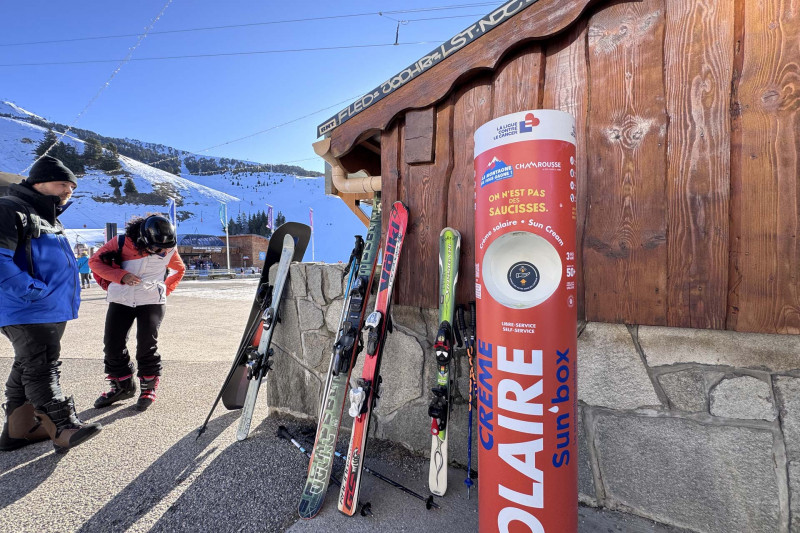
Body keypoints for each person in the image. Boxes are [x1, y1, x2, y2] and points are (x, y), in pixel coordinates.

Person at [0, 155, 102, 453]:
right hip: (26, 307)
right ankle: (64, 426)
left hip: (47, 307)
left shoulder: (48, 218)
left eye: (72, 187)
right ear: (39, 182)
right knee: (43, 365)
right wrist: (32, 290)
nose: (68, 191)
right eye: (62, 184)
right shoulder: (10, 208)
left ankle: (19, 431)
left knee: (28, 362)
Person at [89, 215, 185, 411]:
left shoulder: (168, 247)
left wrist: (163, 291)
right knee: (112, 345)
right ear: (143, 239)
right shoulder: (121, 242)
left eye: (165, 249)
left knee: (147, 345)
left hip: (151, 301)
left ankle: (148, 388)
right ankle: (122, 386)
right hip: (121, 300)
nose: (162, 252)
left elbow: (179, 269)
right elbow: (94, 262)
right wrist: (121, 276)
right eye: (157, 248)